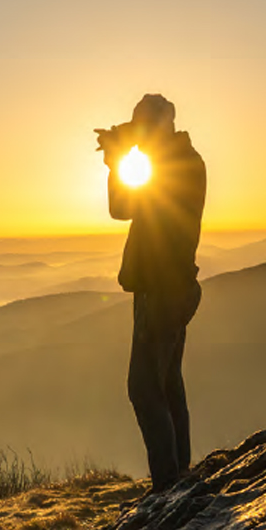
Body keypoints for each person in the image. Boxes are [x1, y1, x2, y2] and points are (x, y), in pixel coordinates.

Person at [95, 94, 207, 492]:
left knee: (143, 388)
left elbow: (123, 206)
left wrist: (118, 156)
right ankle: (179, 475)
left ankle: (167, 485)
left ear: (162, 125)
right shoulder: (180, 161)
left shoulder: (177, 165)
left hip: (162, 291)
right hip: (166, 289)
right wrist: (121, 156)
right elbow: (124, 207)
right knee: (168, 382)